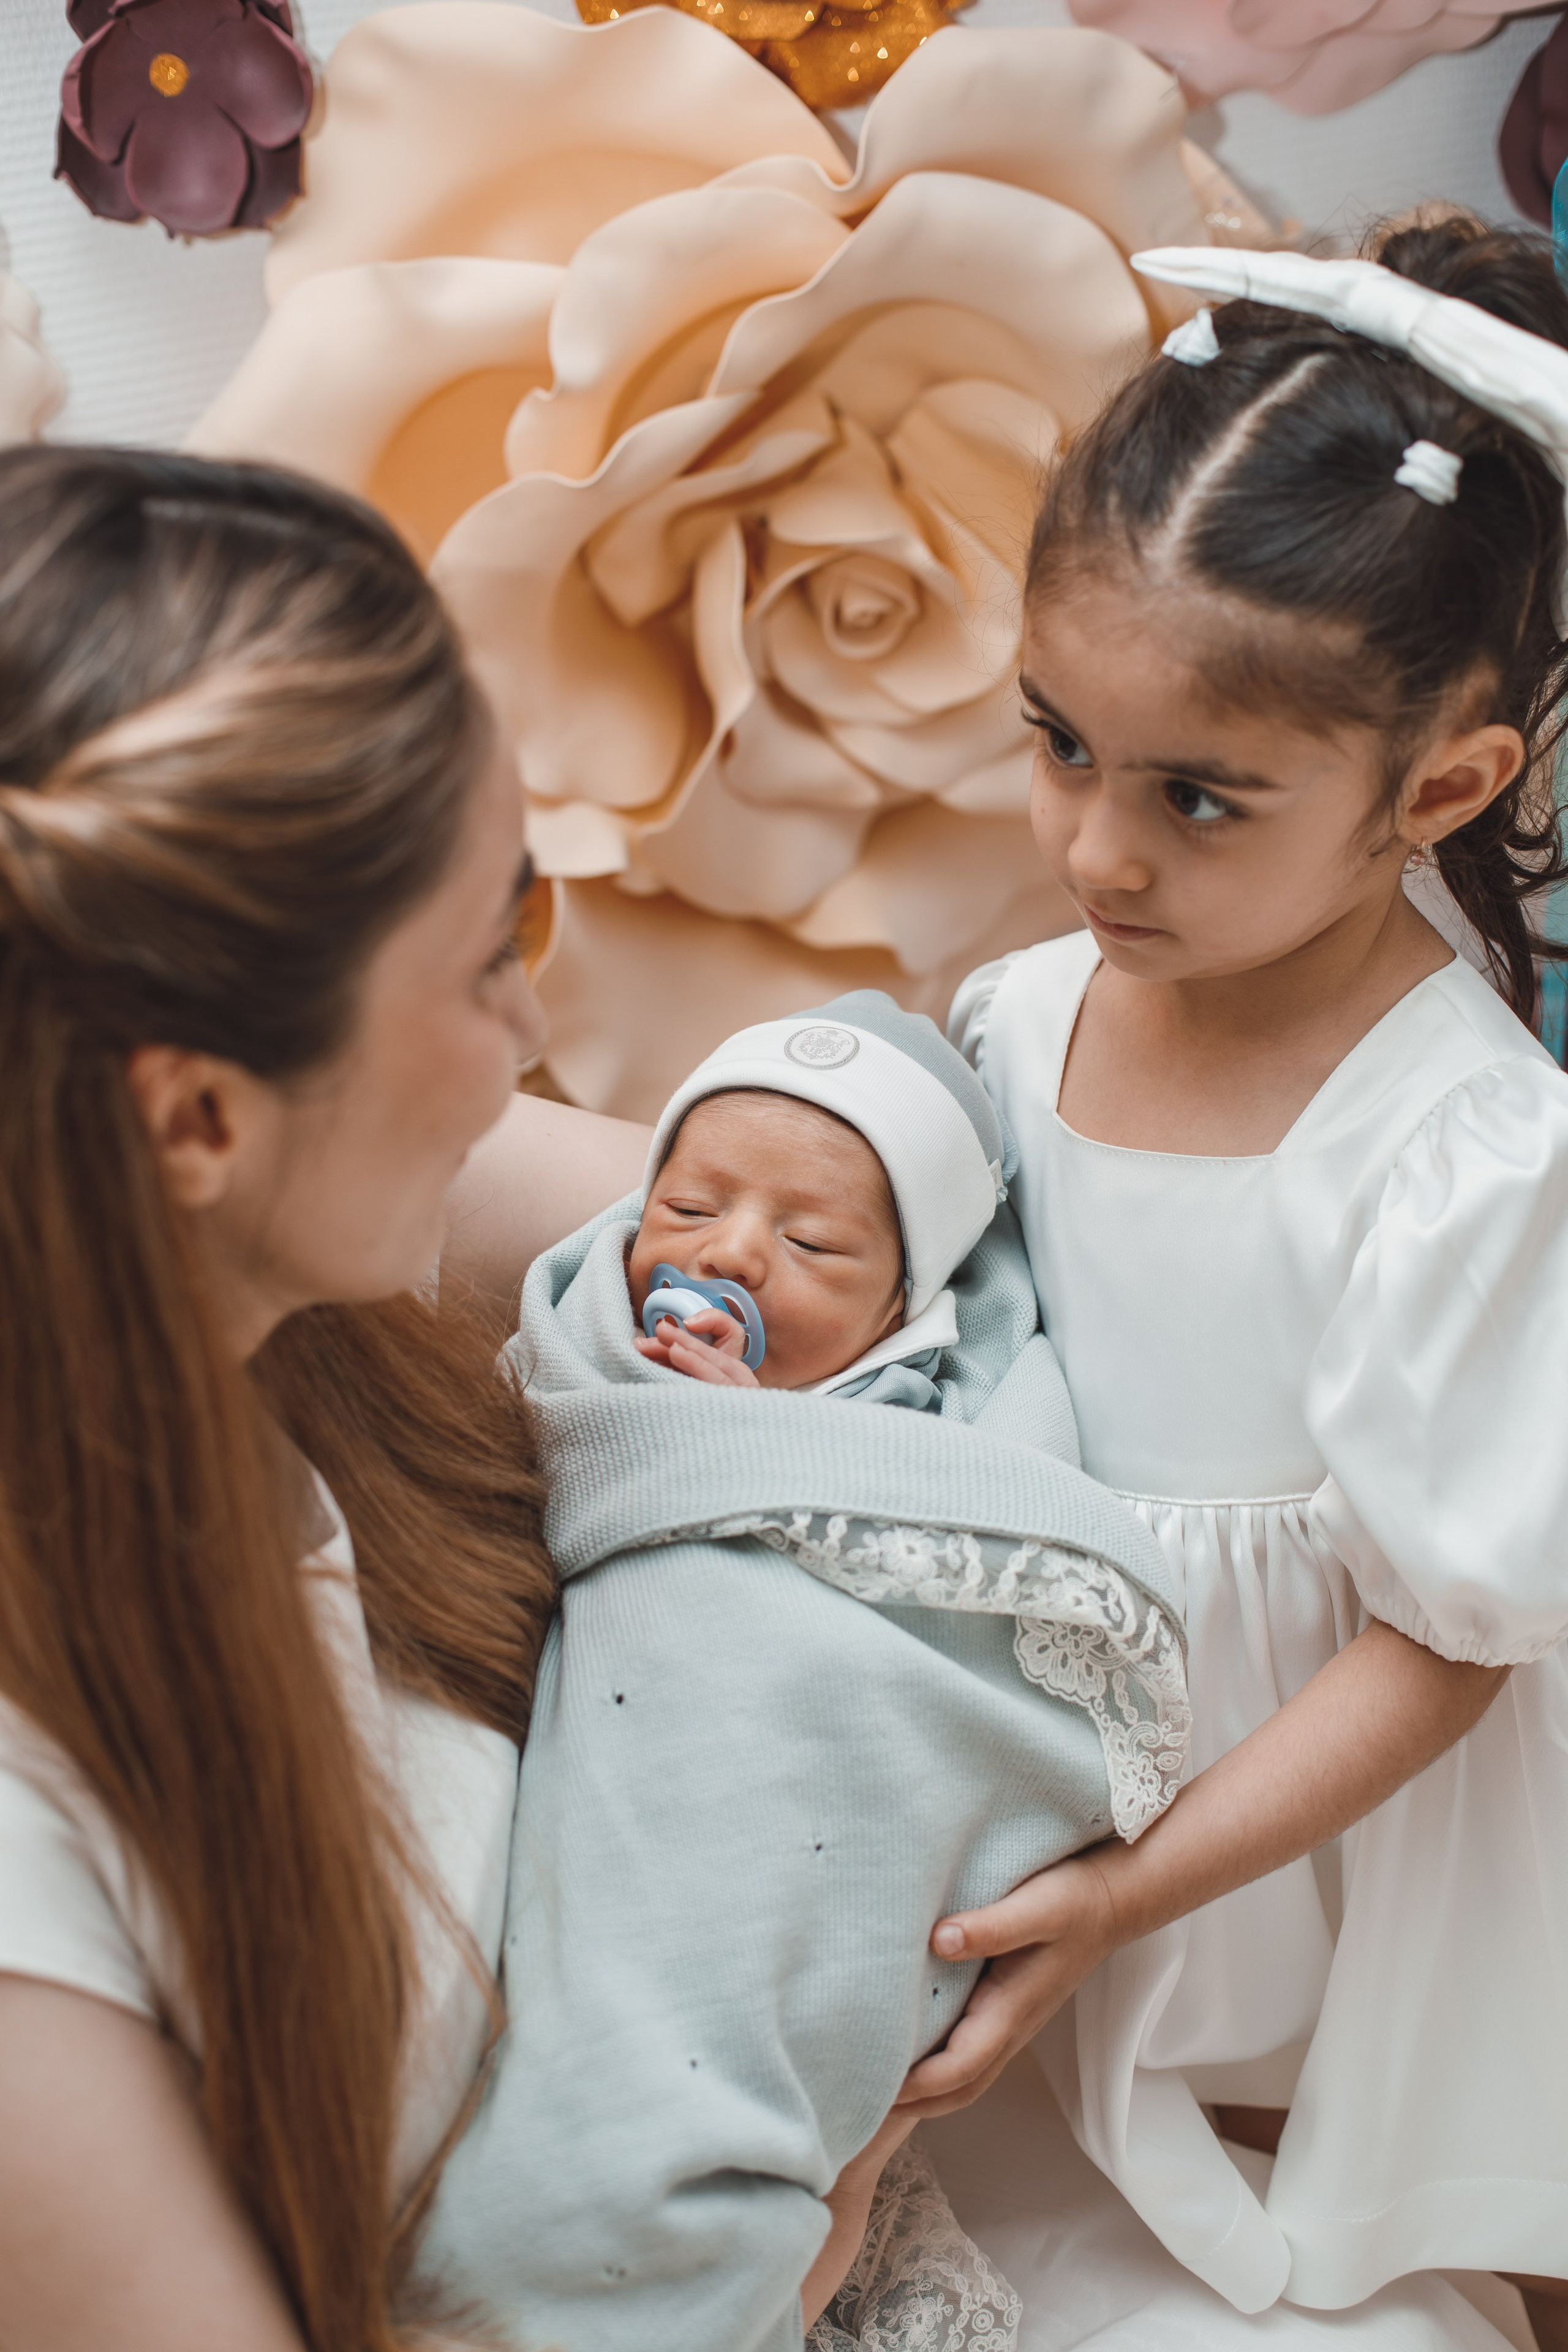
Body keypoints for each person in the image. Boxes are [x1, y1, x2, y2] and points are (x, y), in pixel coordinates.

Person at [881, 213, 1568, 2350]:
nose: (1098, 853)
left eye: (1196, 798)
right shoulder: (1014, 1017)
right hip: (1042, 1805)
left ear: (1438, 790)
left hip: (1287, 1850)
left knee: (1311, 2257)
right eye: (1059, 743)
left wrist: (1131, 1899)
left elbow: (1444, 1642)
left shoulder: (1460, 1142)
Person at [0, 441, 657, 2351]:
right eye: (487, 960)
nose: (532, 1042)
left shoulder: (254, 1248)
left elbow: (833, 1199)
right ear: (197, 1116)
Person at [415, 993, 1190, 2352]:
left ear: (906, 1303)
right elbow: (556, 1446)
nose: (728, 1253)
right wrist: (678, 1425)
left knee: (838, 2142)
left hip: (811, 1817)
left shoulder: (914, 1419)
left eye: (812, 1240)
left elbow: (960, 1572)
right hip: (619, 1790)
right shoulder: (585, 1338)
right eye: (688, 1203)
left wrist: (754, 1441)